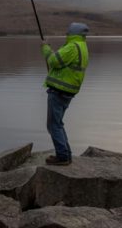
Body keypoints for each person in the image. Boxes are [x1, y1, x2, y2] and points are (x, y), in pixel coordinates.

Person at [41, 22, 90, 165]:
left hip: (59, 91)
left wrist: (45, 47)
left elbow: (53, 61)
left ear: (73, 33)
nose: (66, 33)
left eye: (68, 31)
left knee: (53, 125)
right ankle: (66, 154)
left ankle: (62, 157)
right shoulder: (82, 46)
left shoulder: (72, 47)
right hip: (68, 91)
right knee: (58, 123)